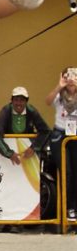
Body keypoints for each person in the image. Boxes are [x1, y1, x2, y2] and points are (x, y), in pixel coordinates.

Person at [0, 86, 50, 168]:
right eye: (16, 100)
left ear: (26, 101)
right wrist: (8, 153)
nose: (19, 103)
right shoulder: (6, 110)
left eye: (22, 100)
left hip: (28, 157)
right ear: (11, 101)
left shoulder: (32, 111)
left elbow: (45, 131)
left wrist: (34, 148)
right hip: (6, 159)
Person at [46, 69, 77, 219]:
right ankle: (65, 208)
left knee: (76, 172)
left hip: (75, 136)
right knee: (67, 172)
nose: (71, 79)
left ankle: (72, 207)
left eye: (75, 76)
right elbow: (47, 101)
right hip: (60, 134)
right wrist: (59, 85)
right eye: (68, 76)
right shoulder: (60, 95)